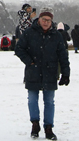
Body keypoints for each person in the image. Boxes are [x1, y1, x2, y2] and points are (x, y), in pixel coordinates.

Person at [15, 9, 69, 140]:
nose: (46, 23)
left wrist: (65, 74)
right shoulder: (29, 33)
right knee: (32, 100)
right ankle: (35, 124)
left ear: (52, 22)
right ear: (39, 19)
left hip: (50, 72)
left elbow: (63, 56)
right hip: (33, 71)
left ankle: (48, 127)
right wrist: (29, 62)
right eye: (44, 20)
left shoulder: (56, 35)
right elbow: (19, 48)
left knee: (49, 101)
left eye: (48, 20)